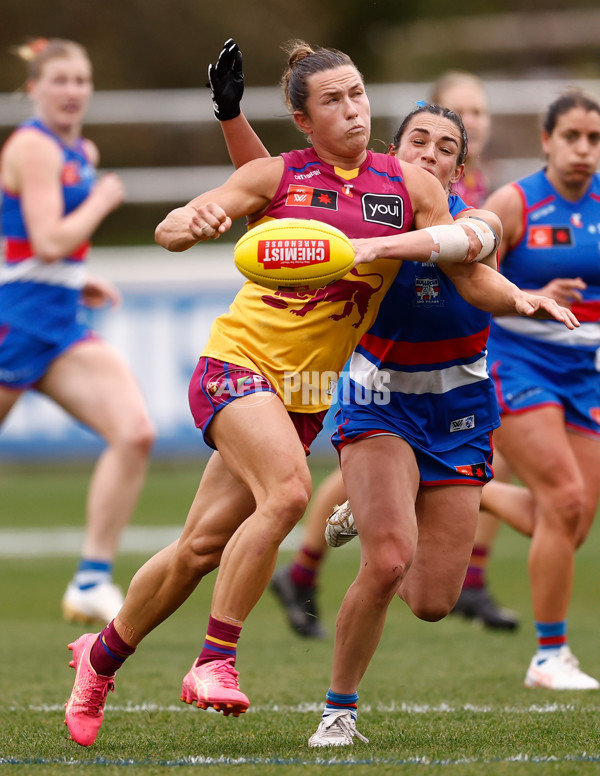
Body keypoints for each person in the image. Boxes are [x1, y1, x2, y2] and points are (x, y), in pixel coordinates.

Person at [62, 40, 574, 749]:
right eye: (333, 100)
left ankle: (100, 657)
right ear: (304, 120)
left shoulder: (410, 187)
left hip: (304, 394)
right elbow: (177, 223)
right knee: (288, 495)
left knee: (198, 548)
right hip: (237, 364)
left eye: (358, 93)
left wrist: (520, 298)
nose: (353, 109)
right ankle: (214, 660)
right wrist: (191, 223)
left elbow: (468, 268)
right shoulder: (276, 175)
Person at [306, 104, 583, 747]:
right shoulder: (356, 218)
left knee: (432, 602)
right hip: (380, 406)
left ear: (460, 169)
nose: (430, 153)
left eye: (446, 147)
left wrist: (520, 298)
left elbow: (471, 267)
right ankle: (338, 712)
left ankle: (378, 507)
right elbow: (279, 195)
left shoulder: (475, 221)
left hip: (459, 413)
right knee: (387, 563)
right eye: (418, 141)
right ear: (393, 153)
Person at [0, 38, 155, 624]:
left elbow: (34, 244)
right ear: (33, 89)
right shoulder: (33, 147)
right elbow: (48, 240)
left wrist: (76, 278)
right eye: (59, 80)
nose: (72, 91)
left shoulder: (80, 149)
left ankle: (91, 579)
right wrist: (103, 200)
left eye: (81, 80)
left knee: (134, 433)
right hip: (16, 323)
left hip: (59, 323)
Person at [475, 89, 600, 690]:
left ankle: (453, 485)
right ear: (547, 140)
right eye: (571, 136)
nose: (583, 149)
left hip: (585, 375)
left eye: (594, 139)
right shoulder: (516, 203)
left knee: (571, 521)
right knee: (565, 499)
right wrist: (532, 294)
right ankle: (549, 656)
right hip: (519, 365)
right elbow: (467, 279)